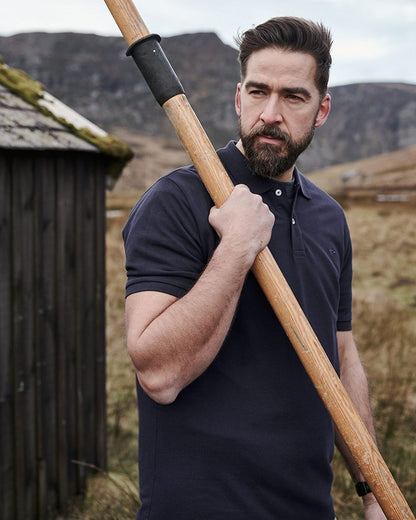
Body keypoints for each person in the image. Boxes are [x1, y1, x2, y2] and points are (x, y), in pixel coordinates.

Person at [123, 17, 387, 520]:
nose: (271, 113)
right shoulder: (177, 201)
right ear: (238, 96)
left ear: (322, 109)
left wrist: (372, 491)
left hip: (308, 506)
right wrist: (236, 249)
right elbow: (157, 373)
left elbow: (342, 356)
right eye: (258, 91)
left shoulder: (328, 217)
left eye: (293, 96)